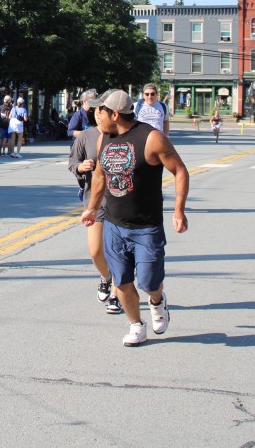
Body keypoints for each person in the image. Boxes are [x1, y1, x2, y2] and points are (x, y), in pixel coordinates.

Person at [81, 90, 190, 347]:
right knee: (122, 281)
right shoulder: (104, 138)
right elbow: (100, 176)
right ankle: (136, 325)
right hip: (114, 225)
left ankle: (157, 300)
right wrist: (92, 208)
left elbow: (180, 171)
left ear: (115, 114)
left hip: (146, 227)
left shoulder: (151, 138)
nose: (96, 116)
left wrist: (179, 210)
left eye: (100, 111)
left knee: (150, 282)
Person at [68, 90, 121, 314]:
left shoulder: (123, 135)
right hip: (95, 200)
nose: (99, 115)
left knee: (117, 251)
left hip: (120, 201)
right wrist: (80, 167)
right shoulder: (86, 136)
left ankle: (117, 295)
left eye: (103, 111)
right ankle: (106, 277)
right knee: (95, 250)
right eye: (97, 111)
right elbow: (73, 162)